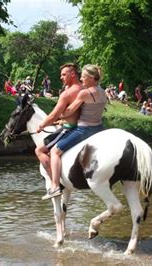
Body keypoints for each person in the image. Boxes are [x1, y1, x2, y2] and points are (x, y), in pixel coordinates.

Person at [39, 64, 107, 200]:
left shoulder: (84, 93)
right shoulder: (103, 91)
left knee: (54, 152)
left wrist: (59, 115)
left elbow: (69, 111)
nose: (81, 80)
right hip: (99, 128)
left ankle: (55, 186)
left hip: (84, 130)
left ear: (91, 77)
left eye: (83, 77)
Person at [35, 63, 83, 199]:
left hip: (69, 129)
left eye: (63, 74)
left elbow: (53, 115)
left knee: (39, 150)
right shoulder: (83, 88)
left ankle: (55, 185)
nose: (61, 77)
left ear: (72, 74)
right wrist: (62, 119)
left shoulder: (68, 93)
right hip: (83, 125)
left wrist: (41, 126)